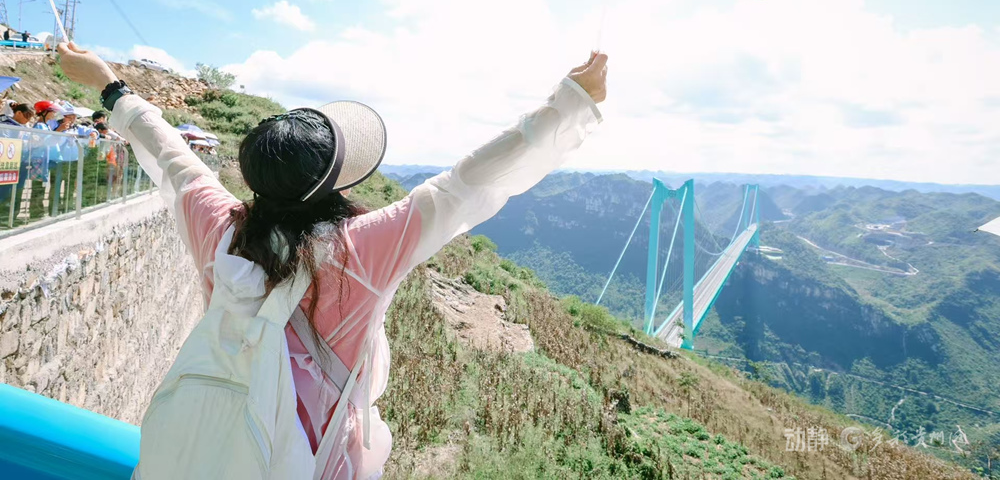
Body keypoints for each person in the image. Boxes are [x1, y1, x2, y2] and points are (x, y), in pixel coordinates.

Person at [57, 41, 607, 478]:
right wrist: (572, 102)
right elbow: (468, 184)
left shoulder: (218, 229)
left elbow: (171, 155)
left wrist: (110, 85)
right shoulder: (360, 249)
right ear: (335, 183)